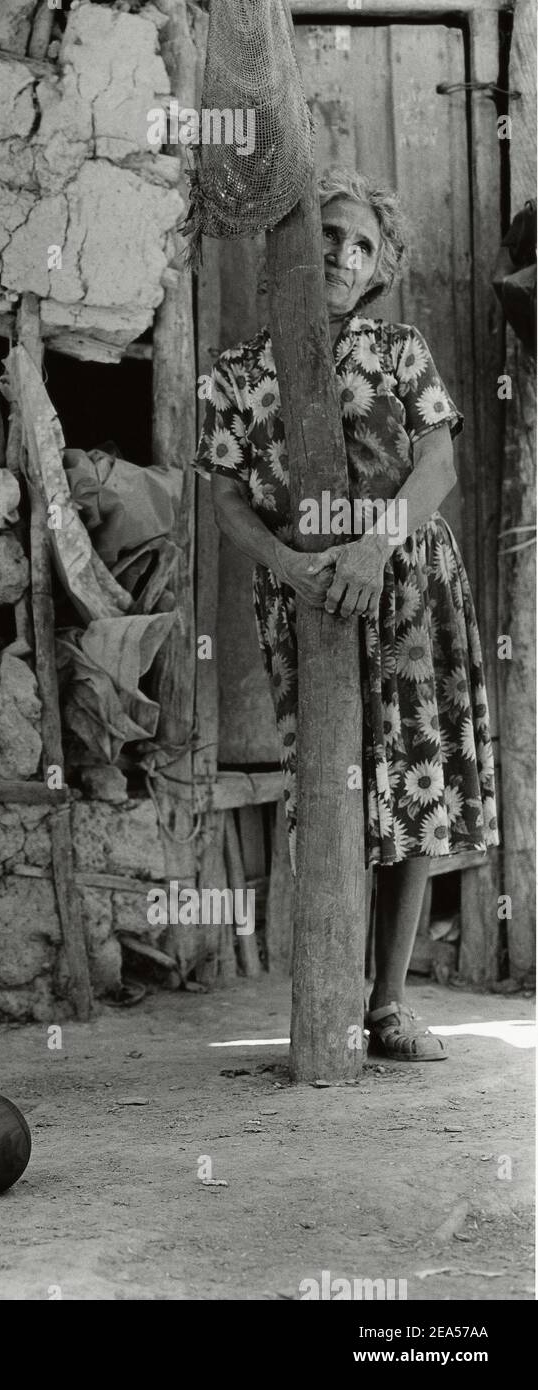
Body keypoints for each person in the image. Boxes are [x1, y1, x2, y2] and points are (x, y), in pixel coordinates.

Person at [195, 167, 499, 1061]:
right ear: (288, 247)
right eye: (327, 235)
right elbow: (227, 501)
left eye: (361, 246)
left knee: (409, 785)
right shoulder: (236, 375)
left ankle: (390, 1004)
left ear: (376, 272)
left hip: (405, 582)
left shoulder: (399, 351)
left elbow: (436, 467)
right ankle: (326, 993)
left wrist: (372, 549)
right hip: (306, 595)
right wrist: (290, 563)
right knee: (330, 784)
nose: (341, 253)